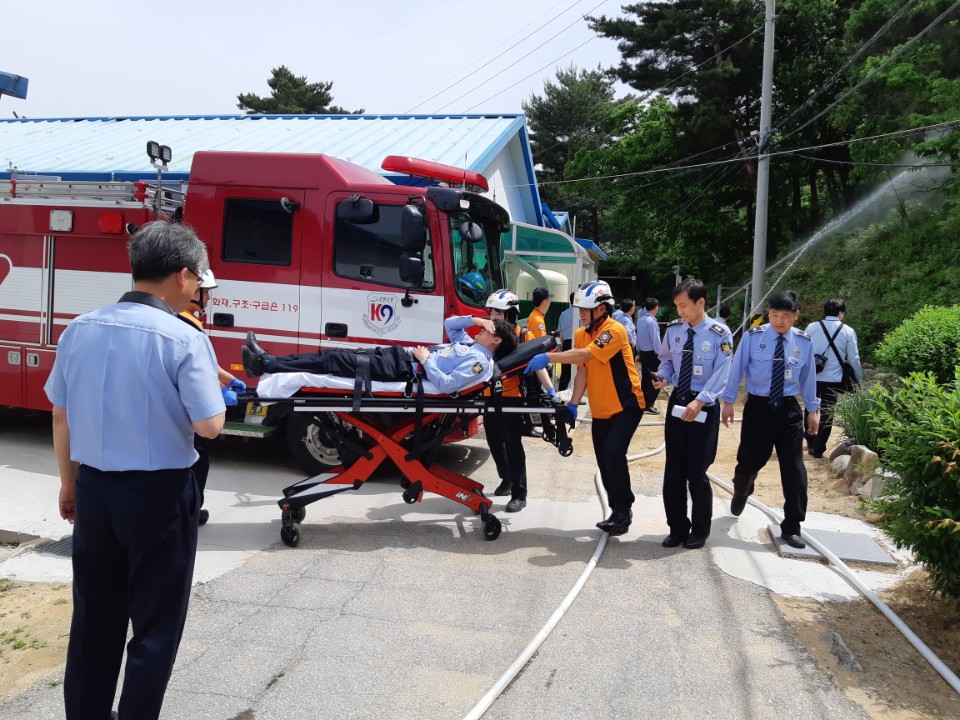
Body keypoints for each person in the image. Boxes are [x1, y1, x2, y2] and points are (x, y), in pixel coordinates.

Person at [44, 221, 226, 720]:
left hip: (95, 489)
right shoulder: (184, 337)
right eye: (198, 279)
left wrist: (68, 482)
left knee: (93, 619)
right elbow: (210, 426)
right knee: (155, 625)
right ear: (183, 275)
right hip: (159, 495)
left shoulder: (80, 328)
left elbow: (61, 414)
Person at [525, 281, 644, 535]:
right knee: (603, 459)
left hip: (627, 404)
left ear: (602, 308)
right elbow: (583, 372)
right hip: (601, 407)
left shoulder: (614, 330)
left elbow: (586, 355)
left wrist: (549, 357)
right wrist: (573, 403)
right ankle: (616, 509)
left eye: (585, 309)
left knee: (613, 453)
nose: (581, 314)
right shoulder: (581, 333)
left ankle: (623, 510)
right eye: (579, 309)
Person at [720, 291, 820, 549]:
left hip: (788, 409)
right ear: (769, 314)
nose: (779, 321)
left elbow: (808, 377)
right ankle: (742, 489)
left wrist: (813, 409)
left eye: (785, 316)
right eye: (774, 315)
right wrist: (728, 401)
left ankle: (792, 526)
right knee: (748, 461)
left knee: (794, 468)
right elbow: (737, 368)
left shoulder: (803, 342)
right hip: (758, 408)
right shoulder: (754, 337)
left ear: (795, 316)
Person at [243, 315, 517, 394]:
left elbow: (447, 385)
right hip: (399, 357)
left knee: (331, 361)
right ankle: (269, 362)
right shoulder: (470, 344)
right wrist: (474, 319)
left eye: (488, 328)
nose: (481, 328)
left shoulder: (479, 362)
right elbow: (450, 324)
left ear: (496, 340)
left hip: (403, 369)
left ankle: (266, 363)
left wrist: (426, 360)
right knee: (333, 355)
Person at [653, 280, 733, 549]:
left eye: (684, 306)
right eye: (677, 306)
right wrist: (663, 376)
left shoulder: (720, 334)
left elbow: (722, 373)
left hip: (704, 406)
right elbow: (666, 360)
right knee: (674, 470)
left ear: (701, 303)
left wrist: (700, 401)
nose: (680, 311)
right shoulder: (675, 330)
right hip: (679, 402)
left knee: (697, 472)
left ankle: (699, 531)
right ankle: (677, 528)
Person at [177, 269, 247, 526]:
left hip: (185, 406)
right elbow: (195, 370)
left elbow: (205, 363)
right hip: (188, 408)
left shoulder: (186, 319)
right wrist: (219, 391)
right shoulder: (182, 323)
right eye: (206, 292)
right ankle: (190, 512)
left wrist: (229, 379)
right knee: (197, 456)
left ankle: (190, 509)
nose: (208, 298)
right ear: (193, 291)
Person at [482, 289, 555, 512]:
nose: (493, 317)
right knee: (495, 443)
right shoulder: (486, 334)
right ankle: (507, 477)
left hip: (511, 398)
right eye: (491, 312)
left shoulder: (523, 335)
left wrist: (550, 389)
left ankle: (519, 493)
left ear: (511, 313)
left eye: (498, 313)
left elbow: (537, 364)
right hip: (488, 397)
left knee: (512, 444)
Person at [803, 298, 863, 458]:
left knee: (810, 408)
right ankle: (818, 448)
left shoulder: (812, 327)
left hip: (812, 376)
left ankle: (810, 440)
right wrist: (858, 378)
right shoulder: (848, 331)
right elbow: (854, 358)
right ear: (841, 313)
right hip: (834, 379)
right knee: (828, 412)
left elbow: (803, 350)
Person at [635, 297, 662, 415]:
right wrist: (660, 354)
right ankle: (649, 404)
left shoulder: (641, 320)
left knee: (646, 378)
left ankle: (643, 403)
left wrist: (638, 351)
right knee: (657, 378)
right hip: (652, 353)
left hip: (643, 353)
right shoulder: (652, 322)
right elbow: (656, 340)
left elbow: (638, 337)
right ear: (656, 308)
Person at [555, 293, 578, 391]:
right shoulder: (581, 314)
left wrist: (564, 347)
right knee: (578, 371)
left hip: (566, 344)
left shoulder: (563, 314)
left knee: (565, 372)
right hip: (578, 344)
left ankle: (561, 392)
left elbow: (561, 335)